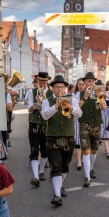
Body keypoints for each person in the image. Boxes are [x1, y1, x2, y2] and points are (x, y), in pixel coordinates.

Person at [41, 75, 82, 206]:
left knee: (65, 166)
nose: (60, 89)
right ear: (52, 88)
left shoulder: (73, 99)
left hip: (68, 136)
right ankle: (57, 195)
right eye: (57, 87)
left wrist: (71, 106)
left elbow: (79, 113)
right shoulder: (47, 101)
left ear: (65, 89)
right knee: (56, 166)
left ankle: (59, 185)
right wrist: (56, 106)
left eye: (62, 87)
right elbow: (44, 115)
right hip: (52, 137)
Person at [78, 72, 107, 187]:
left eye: (92, 81)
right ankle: (87, 176)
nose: (91, 83)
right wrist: (84, 97)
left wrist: (100, 96)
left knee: (94, 150)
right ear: (84, 83)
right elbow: (76, 108)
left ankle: (90, 168)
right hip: (84, 124)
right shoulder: (79, 94)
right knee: (85, 150)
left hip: (96, 125)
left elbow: (104, 108)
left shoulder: (98, 94)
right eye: (88, 81)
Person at [27, 72, 53, 186]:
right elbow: (30, 109)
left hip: (47, 125)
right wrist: (36, 104)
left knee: (45, 150)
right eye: (40, 81)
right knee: (34, 149)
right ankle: (35, 176)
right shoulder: (31, 91)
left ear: (47, 81)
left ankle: (41, 170)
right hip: (34, 123)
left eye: (44, 81)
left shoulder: (52, 93)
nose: (42, 84)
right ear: (37, 81)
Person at [73, 78, 86, 170]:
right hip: (78, 119)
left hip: (86, 119)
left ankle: (82, 159)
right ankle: (78, 162)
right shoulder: (75, 95)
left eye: (82, 84)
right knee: (78, 140)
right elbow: (78, 107)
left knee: (84, 141)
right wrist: (84, 98)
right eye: (79, 84)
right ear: (77, 85)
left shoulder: (89, 94)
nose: (81, 86)